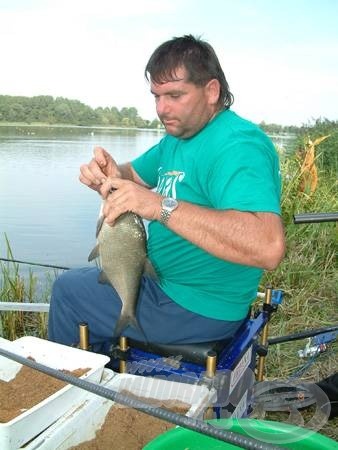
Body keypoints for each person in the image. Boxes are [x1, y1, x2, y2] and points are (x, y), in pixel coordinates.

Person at [48, 35, 285, 353]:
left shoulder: (238, 146)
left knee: (68, 291)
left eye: (174, 95)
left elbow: (267, 247)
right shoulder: (180, 136)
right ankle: (110, 381)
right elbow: (131, 175)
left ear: (211, 91)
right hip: (163, 284)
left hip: (198, 306)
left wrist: (159, 205)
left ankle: (69, 386)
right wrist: (108, 174)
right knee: (85, 284)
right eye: (156, 96)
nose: (162, 109)